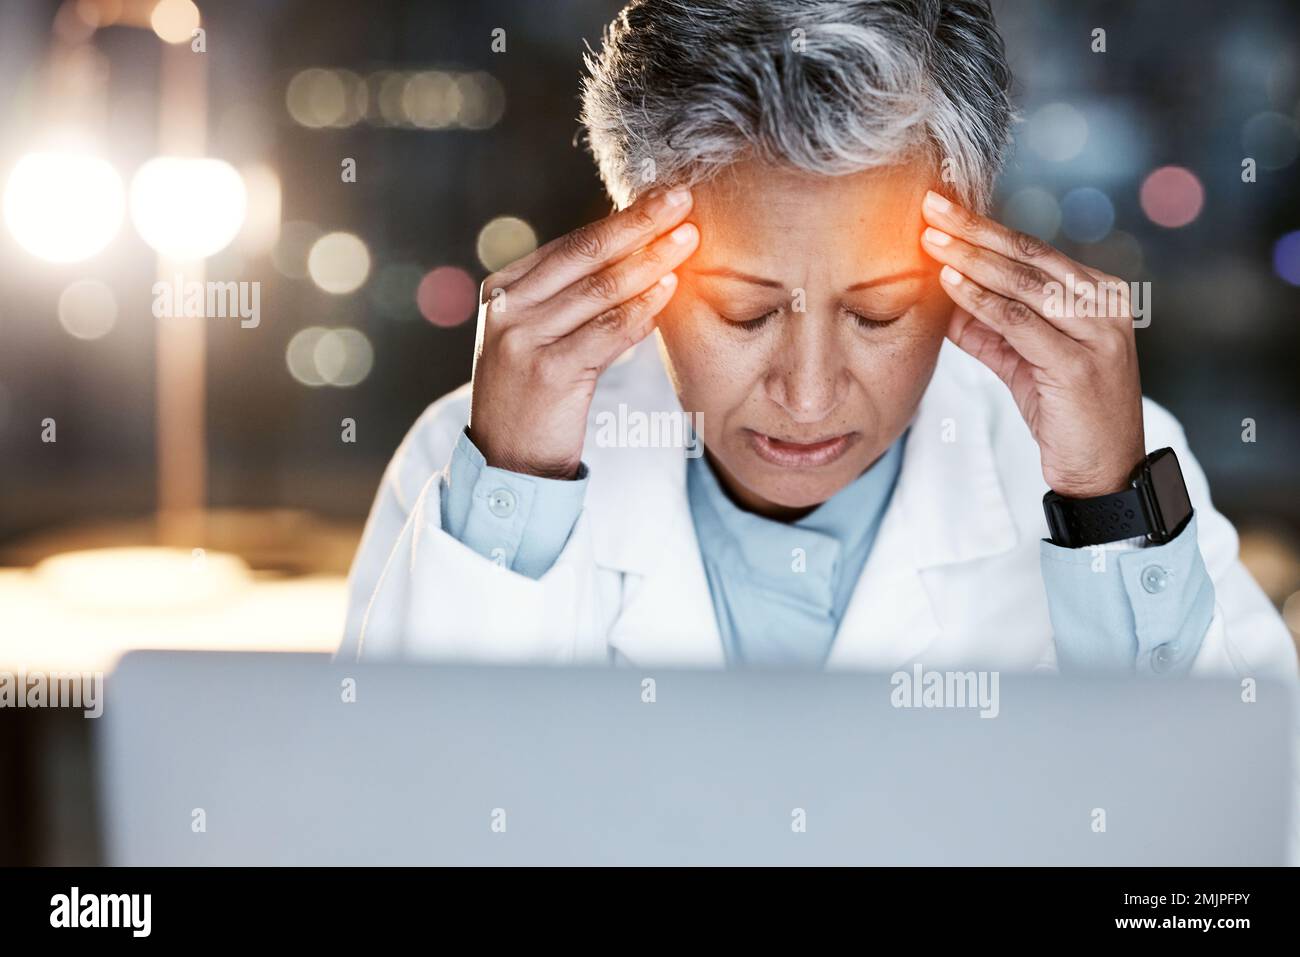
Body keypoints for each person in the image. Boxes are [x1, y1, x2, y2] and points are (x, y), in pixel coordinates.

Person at [338, 0, 1296, 678]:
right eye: (744, 313)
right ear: (637, 255)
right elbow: (403, 823)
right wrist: (511, 490)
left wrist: (1110, 519)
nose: (807, 394)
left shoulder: (1104, 464)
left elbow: (1218, 880)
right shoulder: (471, 461)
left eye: (878, 312)